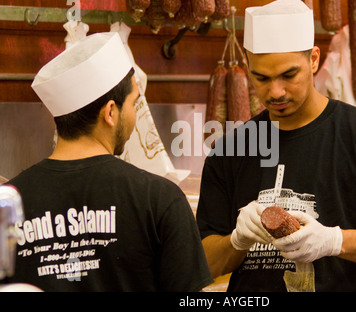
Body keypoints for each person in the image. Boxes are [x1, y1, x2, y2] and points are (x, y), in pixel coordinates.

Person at [196, 0, 356, 292]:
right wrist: (237, 240)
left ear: (313, 60)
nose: (275, 92)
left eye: (289, 75)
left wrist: (333, 241)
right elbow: (204, 264)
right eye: (261, 77)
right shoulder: (230, 150)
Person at [4, 32, 213, 292]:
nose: (135, 116)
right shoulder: (159, 198)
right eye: (134, 104)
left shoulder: (9, 205)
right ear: (111, 112)